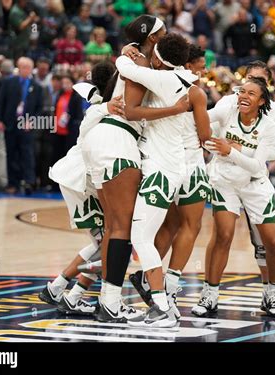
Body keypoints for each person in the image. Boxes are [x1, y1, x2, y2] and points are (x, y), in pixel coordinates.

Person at [81, 16, 187, 324]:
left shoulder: (132, 60)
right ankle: (111, 301)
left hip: (101, 140)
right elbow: (130, 109)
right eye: (163, 33)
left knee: (115, 227)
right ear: (153, 38)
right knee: (123, 229)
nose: (168, 37)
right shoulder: (140, 65)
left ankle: (107, 301)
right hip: (118, 140)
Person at [115, 32, 206, 328]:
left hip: (160, 172)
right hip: (178, 169)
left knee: (142, 238)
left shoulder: (161, 80)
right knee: (153, 234)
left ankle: (162, 308)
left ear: (158, 57)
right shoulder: (188, 82)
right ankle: (165, 306)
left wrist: (126, 51)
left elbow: (125, 68)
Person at [192, 77, 275, 319]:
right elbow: (203, 125)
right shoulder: (227, 109)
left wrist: (231, 150)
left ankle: (271, 292)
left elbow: (256, 166)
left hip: (256, 185)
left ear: (261, 101)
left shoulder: (269, 125)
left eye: (251, 93)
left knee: (272, 242)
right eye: (242, 91)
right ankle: (210, 294)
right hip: (225, 182)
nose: (244, 96)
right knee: (223, 235)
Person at [39, 61, 125, 315]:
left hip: (79, 177)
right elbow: (89, 130)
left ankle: (64, 291)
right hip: (81, 179)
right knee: (110, 243)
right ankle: (62, 290)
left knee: (106, 242)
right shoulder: (102, 108)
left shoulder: (104, 103)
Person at [0, 57, 43, 194]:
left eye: (28, 67)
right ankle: (12, 183)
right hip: (10, 124)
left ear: (32, 69)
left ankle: (29, 182)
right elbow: (0, 102)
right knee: (11, 154)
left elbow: (40, 108)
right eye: (23, 67)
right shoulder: (8, 83)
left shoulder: (37, 86)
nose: (26, 70)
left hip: (26, 125)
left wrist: (32, 121)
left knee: (27, 154)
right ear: (18, 68)